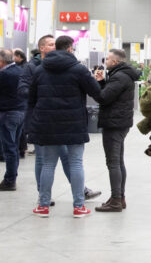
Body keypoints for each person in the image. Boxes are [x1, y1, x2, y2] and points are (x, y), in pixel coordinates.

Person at [18, 34, 101, 203]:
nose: (53, 47)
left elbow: (32, 97)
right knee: (69, 161)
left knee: (50, 162)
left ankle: (44, 202)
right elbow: (97, 93)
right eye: (49, 44)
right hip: (65, 122)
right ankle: (77, 203)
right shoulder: (37, 67)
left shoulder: (41, 69)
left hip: (47, 122)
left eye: (54, 44)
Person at [93, 49, 141, 212]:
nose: (105, 61)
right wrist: (101, 82)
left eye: (107, 59)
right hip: (120, 122)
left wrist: (95, 85)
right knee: (118, 161)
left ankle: (115, 200)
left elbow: (103, 97)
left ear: (115, 62)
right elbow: (110, 93)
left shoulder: (119, 77)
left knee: (113, 162)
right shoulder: (122, 75)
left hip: (114, 123)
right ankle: (119, 198)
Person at [0, 48, 25, 191]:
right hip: (21, 112)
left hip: (8, 113)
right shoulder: (20, 71)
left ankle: (9, 180)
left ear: (0, 61)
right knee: (14, 147)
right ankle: (12, 177)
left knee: (9, 149)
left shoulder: (4, 74)